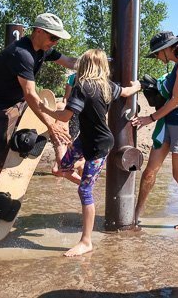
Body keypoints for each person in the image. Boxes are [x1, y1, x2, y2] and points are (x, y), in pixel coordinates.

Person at [40, 49, 140, 257]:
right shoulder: (107, 86)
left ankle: (86, 241)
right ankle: (89, 183)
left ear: (83, 65)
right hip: (86, 140)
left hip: (99, 146)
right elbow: (125, 92)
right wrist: (137, 86)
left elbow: (66, 117)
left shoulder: (81, 87)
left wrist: (46, 111)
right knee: (60, 169)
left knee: (84, 192)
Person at [0, 13, 76, 201]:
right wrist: (51, 126)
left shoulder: (43, 49)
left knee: (27, 141)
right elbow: (30, 94)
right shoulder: (22, 54)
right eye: (53, 37)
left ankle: (56, 161)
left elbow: (69, 62)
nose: (55, 42)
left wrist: (97, 65)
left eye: (58, 39)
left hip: (16, 104)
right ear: (38, 31)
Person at [132, 31, 178, 230]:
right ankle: (136, 213)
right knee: (149, 172)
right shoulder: (177, 66)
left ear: (166, 49)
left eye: (156, 53)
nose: (156, 57)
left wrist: (149, 118)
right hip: (169, 124)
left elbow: (176, 101)